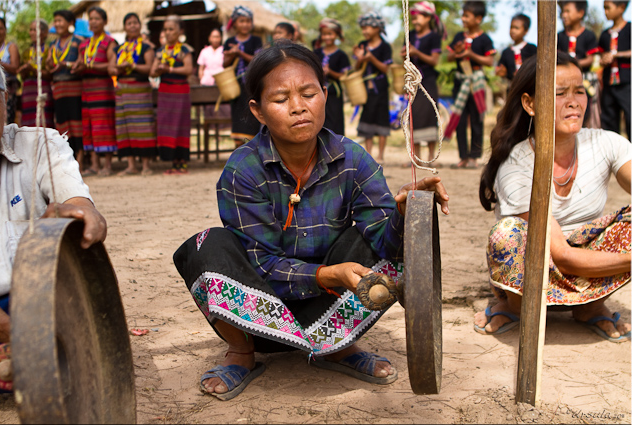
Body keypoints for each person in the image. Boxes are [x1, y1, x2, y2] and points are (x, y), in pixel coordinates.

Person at [173, 42, 450, 401]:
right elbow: (264, 265)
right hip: (261, 314)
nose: (298, 107)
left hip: (331, 304)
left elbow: (386, 245)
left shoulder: (352, 158)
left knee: (387, 245)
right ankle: (242, 353)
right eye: (281, 98)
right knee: (207, 245)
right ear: (258, 111)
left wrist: (403, 212)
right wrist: (328, 274)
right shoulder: (242, 169)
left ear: (325, 94)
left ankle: (337, 346)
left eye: (308, 93)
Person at [476, 52, 631, 342]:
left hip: (588, 263)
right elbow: (561, 255)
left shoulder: (606, 143)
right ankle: (514, 306)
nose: (574, 102)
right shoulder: (516, 166)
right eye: (560, 93)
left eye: (580, 91)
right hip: (541, 266)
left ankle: (590, 307)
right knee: (507, 234)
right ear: (530, 104)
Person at [0, 50, 107, 392]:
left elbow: (82, 208)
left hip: (34, 302)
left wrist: (79, 215)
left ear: (5, 100)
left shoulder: (40, 144)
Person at [445, 1, 495, 169]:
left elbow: (489, 61)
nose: (463, 18)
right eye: (463, 15)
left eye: (467, 15)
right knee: (459, 119)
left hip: (476, 83)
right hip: (460, 82)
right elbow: (449, 57)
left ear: (478, 19)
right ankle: (463, 157)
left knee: (476, 119)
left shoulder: (484, 39)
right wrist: (458, 52)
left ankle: (474, 156)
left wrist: (471, 54)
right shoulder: (459, 36)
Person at [108, 12, 157, 176]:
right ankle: (131, 166)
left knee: (143, 127)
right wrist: (117, 69)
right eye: (129, 23)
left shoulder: (146, 47)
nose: (133, 26)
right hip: (123, 90)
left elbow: (150, 68)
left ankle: (146, 165)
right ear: (124, 27)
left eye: (135, 23)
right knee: (125, 127)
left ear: (140, 25)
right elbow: (111, 67)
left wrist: (133, 66)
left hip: (140, 89)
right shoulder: (119, 48)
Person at [401, 1, 446, 168]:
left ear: (428, 18)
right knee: (414, 116)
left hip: (428, 81)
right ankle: (416, 157)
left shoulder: (434, 37)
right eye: (414, 17)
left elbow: (434, 60)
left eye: (419, 16)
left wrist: (416, 52)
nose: (415, 20)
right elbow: (405, 57)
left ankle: (432, 157)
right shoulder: (410, 35)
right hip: (413, 81)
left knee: (429, 115)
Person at [75, 6, 118, 177]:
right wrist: (75, 67)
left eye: (97, 19)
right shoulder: (84, 44)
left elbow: (111, 65)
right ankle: (94, 165)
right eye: (91, 19)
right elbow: (80, 63)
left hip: (103, 90)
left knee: (104, 126)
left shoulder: (110, 42)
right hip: (86, 90)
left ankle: (107, 165)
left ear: (105, 21)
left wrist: (89, 66)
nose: (93, 22)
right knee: (89, 126)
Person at [150, 15, 194, 174]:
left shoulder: (185, 50)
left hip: (180, 91)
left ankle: (182, 162)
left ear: (180, 31)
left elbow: (189, 70)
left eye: (171, 29)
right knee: (167, 125)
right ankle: (173, 161)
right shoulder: (160, 51)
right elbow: (152, 72)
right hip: (165, 91)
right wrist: (157, 69)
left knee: (181, 124)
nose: (168, 33)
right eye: (166, 29)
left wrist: (169, 69)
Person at [46, 10, 85, 170]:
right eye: (55, 21)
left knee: (77, 123)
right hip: (59, 89)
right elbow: (49, 68)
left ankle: (81, 160)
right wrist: (49, 64)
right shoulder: (53, 45)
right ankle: (68, 162)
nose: (57, 24)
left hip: (75, 88)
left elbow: (82, 64)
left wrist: (67, 65)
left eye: (60, 20)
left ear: (70, 23)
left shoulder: (78, 41)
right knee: (62, 124)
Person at [353, 11, 392, 163]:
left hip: (380, 88)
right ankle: (369, 154)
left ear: (377, 28)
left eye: (367, 27)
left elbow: (385, 68)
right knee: (368, 118)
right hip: (366, 90)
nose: (365, 31)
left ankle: (381, 155)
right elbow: (357, 68)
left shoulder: (385, 46)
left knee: (382, 119)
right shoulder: (362, 44)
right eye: (363, 28)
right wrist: (360, 59)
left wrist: (371, 58)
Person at [223, 5, 263, 147]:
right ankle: (239, 150)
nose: (245, 24)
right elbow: (225, 64)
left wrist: (240, 53)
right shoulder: (229, 42)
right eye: (241, 21)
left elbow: (257, 60)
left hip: (252, 86)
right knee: (238, 118)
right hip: (236, 87)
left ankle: (254, 149)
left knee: (253, 116)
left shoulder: (256, 40)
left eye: (247, 21)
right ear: (234, 23)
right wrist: (231, 54)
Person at [558, 1, 601, 129]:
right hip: (562, 83)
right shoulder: (559, 37)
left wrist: (570, 65)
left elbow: (590, 59)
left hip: (585, 81)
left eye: (567, 11)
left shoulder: (589, 35)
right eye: (562, 12)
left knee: (585, 113)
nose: (564, 15)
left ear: (580, 13)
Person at [599, 0, 631, 138]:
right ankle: (614, 155)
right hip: (608, 84)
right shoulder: (604, 34)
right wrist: (602, 60)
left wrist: (616, 55)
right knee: (609, 120)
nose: (605, 12)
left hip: (627, 83)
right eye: (604, 8)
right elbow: (599, 56)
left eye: (608, 8)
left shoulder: (629, 28)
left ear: (621, 8)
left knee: (630, 117)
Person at [313, 18, 350, 135]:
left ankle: (336, 148)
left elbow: (344, 76)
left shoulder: (341, 55)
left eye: (330, 34)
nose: (327, 37)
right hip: (317, 93)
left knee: (335, 121)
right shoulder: (316, 53)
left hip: (334, 94)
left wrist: (330, 72)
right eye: (324, 34)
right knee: (318, 120)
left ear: (337, 35)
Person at [18, 18, 55, 128]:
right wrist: (24, 70)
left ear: (44, 33)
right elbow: (22, 76)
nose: (32, 33)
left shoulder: (49, 50)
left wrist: (33, 70)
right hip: (28, 91)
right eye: (31, 30)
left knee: (44, 121)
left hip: (43, 89)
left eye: (36, 30)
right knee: (29, 123)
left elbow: (50, 74)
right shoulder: (26, 52)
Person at [495, 14, 537, 83]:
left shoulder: (532, 49)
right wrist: (502, 73)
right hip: (513, 87)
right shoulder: (506, 52)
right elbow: (501, 70)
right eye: (511, 27)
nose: (513, 31)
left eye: (516, 28)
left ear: (526, 31)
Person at [0, 17, 20, 125]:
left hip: (7, 90)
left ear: (5, 30)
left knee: (5, 121)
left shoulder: (11, 47)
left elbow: (15, 68)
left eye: (1, 28)